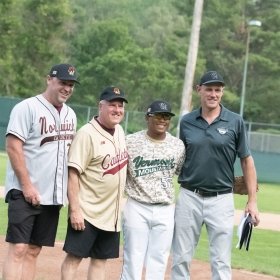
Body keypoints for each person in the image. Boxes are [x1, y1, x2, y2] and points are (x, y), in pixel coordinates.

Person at [171, 70, 260, 280]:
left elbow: (246, 160)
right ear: (199, 90)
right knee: (181, 256)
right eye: (209, 89)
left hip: (221, 199)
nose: (213, 94)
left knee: (221, 260)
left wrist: (252, 201)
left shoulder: (235, 121)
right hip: (189, 196)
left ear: (222, 93)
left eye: (217, 90)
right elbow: (180, 157)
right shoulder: (186, 122)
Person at [3, 63, 79, 280]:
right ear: (49, 80)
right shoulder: (27, 107)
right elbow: (13, 146)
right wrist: (27, 186)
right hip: (24, 191)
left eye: (71, 84)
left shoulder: (70, 115)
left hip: (51, 195)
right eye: (63, 82)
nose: (67, 88)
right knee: (18, 248)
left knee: (34, 250)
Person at [61, 86, 128, 280]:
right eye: (112, 105)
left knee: (100, 260)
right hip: (88, 211)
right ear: (101, 106)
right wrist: (75, 210)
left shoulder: (120, 132)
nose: (117, 110)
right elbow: (73, 173)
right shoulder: (87, 134)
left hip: (111, 215)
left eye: (120, 106)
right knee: (74, 258)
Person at [120, 100, 185, 280]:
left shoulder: (177, 145)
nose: (162, 120)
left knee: (159, 259)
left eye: (166, 117)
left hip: (165, 208)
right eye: (158, 116)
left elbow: (181, 172)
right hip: (137, 206)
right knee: (133, 257)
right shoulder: (130, 142)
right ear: (147, 117)